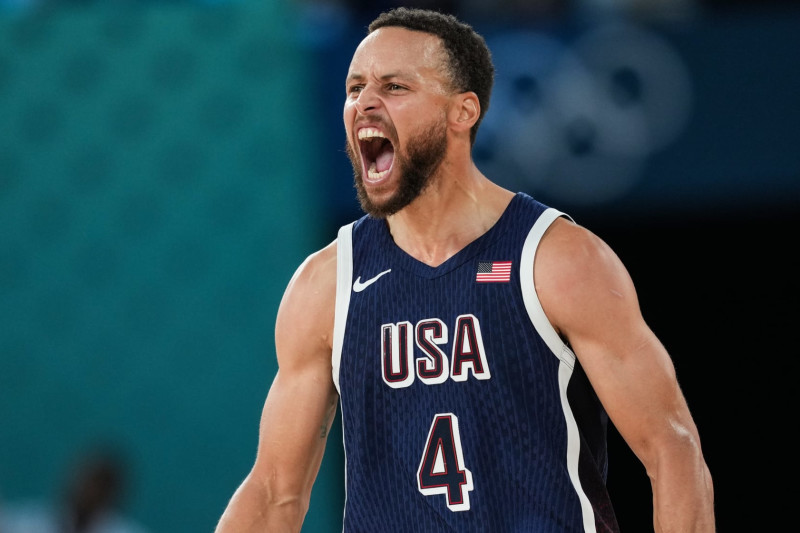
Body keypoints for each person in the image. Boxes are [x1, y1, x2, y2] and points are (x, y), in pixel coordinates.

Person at [215, 7, 715, 532]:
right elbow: (274, 492)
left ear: (463, 111)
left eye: (394, 87)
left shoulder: (557, 258)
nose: (364, 102)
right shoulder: (326, 284)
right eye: (355, 87)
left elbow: (672, 449)